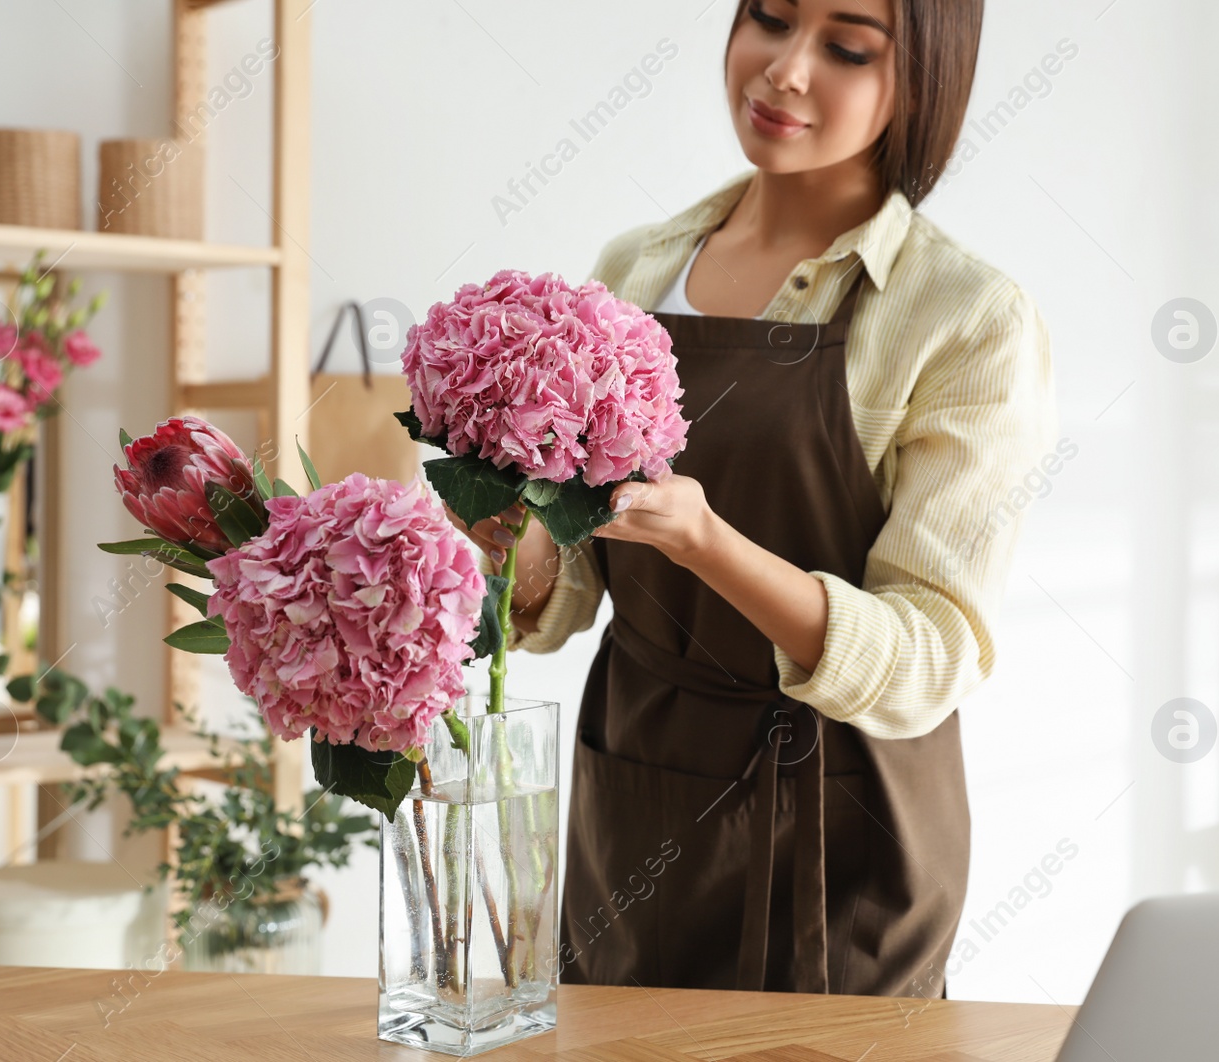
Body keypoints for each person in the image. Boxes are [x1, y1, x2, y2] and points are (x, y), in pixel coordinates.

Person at [450, 0, 1057, 998]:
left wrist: (702, 542)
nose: (782, 70)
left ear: (923, 80)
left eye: (847, 47)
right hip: (638, 784)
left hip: (843, 824)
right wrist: (501, 521)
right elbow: (559, 603)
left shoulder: (963, 318)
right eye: (770, 17)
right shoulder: (635, 269)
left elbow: (930, 655)